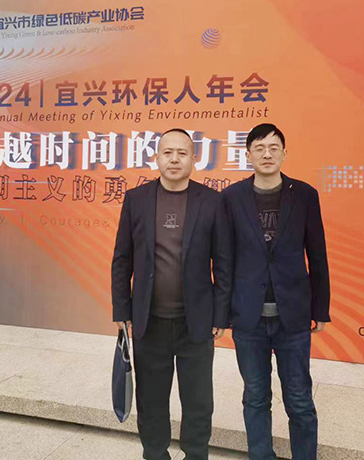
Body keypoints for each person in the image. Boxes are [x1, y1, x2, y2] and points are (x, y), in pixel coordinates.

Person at [111, 128, 231, 460]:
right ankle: (155, 454)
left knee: (198, 402)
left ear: (194, 159)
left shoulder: (212, 201)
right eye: (168, 152)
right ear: (157, 157)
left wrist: (221, 314)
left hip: (197, 323)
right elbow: (122, 259)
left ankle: (196, 454)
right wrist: (122, 309)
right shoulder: (136, 199)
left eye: (182, 153)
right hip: (148, 322)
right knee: (151, 402)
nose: (174, 159)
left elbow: (223, 263)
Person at [221, 123, 330, 460]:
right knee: (255, 396)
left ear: (284, 153)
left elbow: (317, 254)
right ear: (248, 155)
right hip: (248, 318)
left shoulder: (305, 195)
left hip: (292, 317)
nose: (266, 154)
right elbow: (224, 259)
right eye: (259, 148)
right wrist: (222, 314)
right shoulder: (231, 198)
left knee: (299, 398)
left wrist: (320, 308)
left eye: (273, 148)